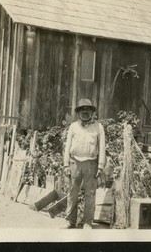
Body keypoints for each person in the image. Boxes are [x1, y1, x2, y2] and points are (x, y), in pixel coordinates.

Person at [63, 98, 106, 229]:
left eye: (87, 110)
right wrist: (66, 164)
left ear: (92, 112)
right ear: (78, 112)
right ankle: (70, 221)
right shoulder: (73, 127)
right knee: (72, 193)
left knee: (90, 194)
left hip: (91, 164)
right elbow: (67, 146)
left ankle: (87, 222)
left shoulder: (98, 127)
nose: (85, 112)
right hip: (74, 162)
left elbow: (102, 147)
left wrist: (100, 165)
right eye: (82, 110)